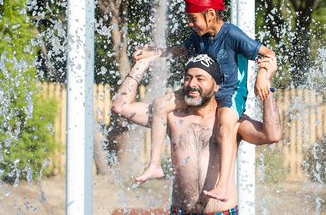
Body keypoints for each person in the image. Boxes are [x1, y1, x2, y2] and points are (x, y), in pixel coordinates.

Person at [133, 0, 276, 203]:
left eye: (193, 19)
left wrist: (262, 76)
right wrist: (155, 54)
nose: (190, 24)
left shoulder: (232, 34)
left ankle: (222, 186)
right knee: (161, 104)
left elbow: (268, 54)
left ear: (210, 14)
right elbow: (181, 49)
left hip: (230, 91)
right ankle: (154, 165)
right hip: (204, 91)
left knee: (226, 127)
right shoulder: (199, 36)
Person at [111, 53, 281, 214]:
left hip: (222, 212)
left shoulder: (230, 122)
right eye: (188, 78)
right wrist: (141, 65)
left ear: (217, 86)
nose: (192, 84)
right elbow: (120, 106)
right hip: (181, 211)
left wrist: (266, 84)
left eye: (200, 79)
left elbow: (271, 135)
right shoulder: (172, 117)